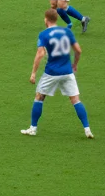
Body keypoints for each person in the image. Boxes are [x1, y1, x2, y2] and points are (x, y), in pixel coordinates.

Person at [22, 9, 93, 138]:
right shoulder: (67, 32)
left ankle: (33, 128)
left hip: (51, 73)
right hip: (67, 71)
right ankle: (87, 129)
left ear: (46, 19)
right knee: (76, 100)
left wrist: (33, 73)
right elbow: (78, 50)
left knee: (39, 97)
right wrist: (75, 64)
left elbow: (40, 54)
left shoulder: (44, 34)